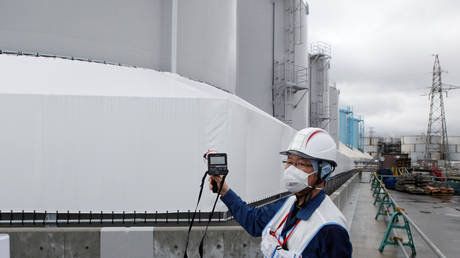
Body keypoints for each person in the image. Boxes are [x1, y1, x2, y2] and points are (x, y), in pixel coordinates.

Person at [209, 128, 352, 257]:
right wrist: (224, 190)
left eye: (301, 163)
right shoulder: (288, 205)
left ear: (324, 171)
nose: (291, 169)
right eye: (289, 161)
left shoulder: (331, 227)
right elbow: (253, 221)